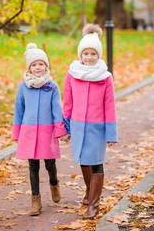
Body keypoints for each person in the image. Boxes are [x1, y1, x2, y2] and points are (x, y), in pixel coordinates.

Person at [62, 24, 118, 219]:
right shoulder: (71, 74)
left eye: (93, 54)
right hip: (78, 126)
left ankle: (94, 204)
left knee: (97, 163)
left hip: (98, 127)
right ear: (80, 54)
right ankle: (89, 191)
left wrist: (111, 134)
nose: (89, 57)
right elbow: (67, 103)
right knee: (83, 161)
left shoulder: (105, 77)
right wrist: (66, 128)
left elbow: (110, 106)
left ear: (99, 55)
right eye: (85, 53)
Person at [12, 43, 68, 216]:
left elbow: (57, 110)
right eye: (34, 65)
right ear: (29, 67)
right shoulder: (23, 87)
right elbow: (19, 110)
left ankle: (54, 183)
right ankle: (36, 202)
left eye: (41, 64)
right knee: (33, 166)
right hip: (28, 132)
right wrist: (17, 133)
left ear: (46, 66)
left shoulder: (52, 86)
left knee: (50, 164)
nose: (38, 68)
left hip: (47, 132)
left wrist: (61, 131)